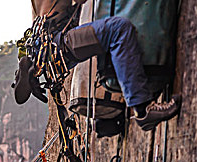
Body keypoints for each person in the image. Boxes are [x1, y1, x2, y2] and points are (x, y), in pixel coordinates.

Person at [16, 0, 181, 131]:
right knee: (118, 29)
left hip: (50, 48)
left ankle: (29, 69)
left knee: (109, 35)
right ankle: (142, 109)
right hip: (60, 42)